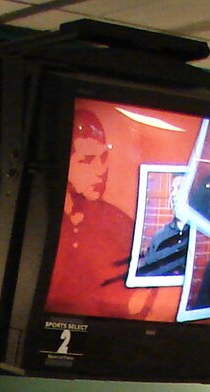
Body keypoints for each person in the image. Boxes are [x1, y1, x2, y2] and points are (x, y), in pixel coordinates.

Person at [41, 108, 139, 320]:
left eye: (103, 157)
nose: (100, 169)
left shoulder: (122, 227)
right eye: (86, 160)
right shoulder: (38, 225)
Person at [135, 174, 193, 279]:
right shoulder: (159, 237)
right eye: (172, 189)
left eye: (179, 188)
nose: (173, 194)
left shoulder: (199, 236)